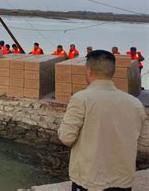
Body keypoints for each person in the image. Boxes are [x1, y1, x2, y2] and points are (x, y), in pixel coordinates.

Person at [58, 50, 148, 191]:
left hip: (89, 180)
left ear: (88, 71)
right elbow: (144, 144)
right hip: (123, 181)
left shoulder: (81, 99)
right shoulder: (135, 103)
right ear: (112, 71)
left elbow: (66, 137)